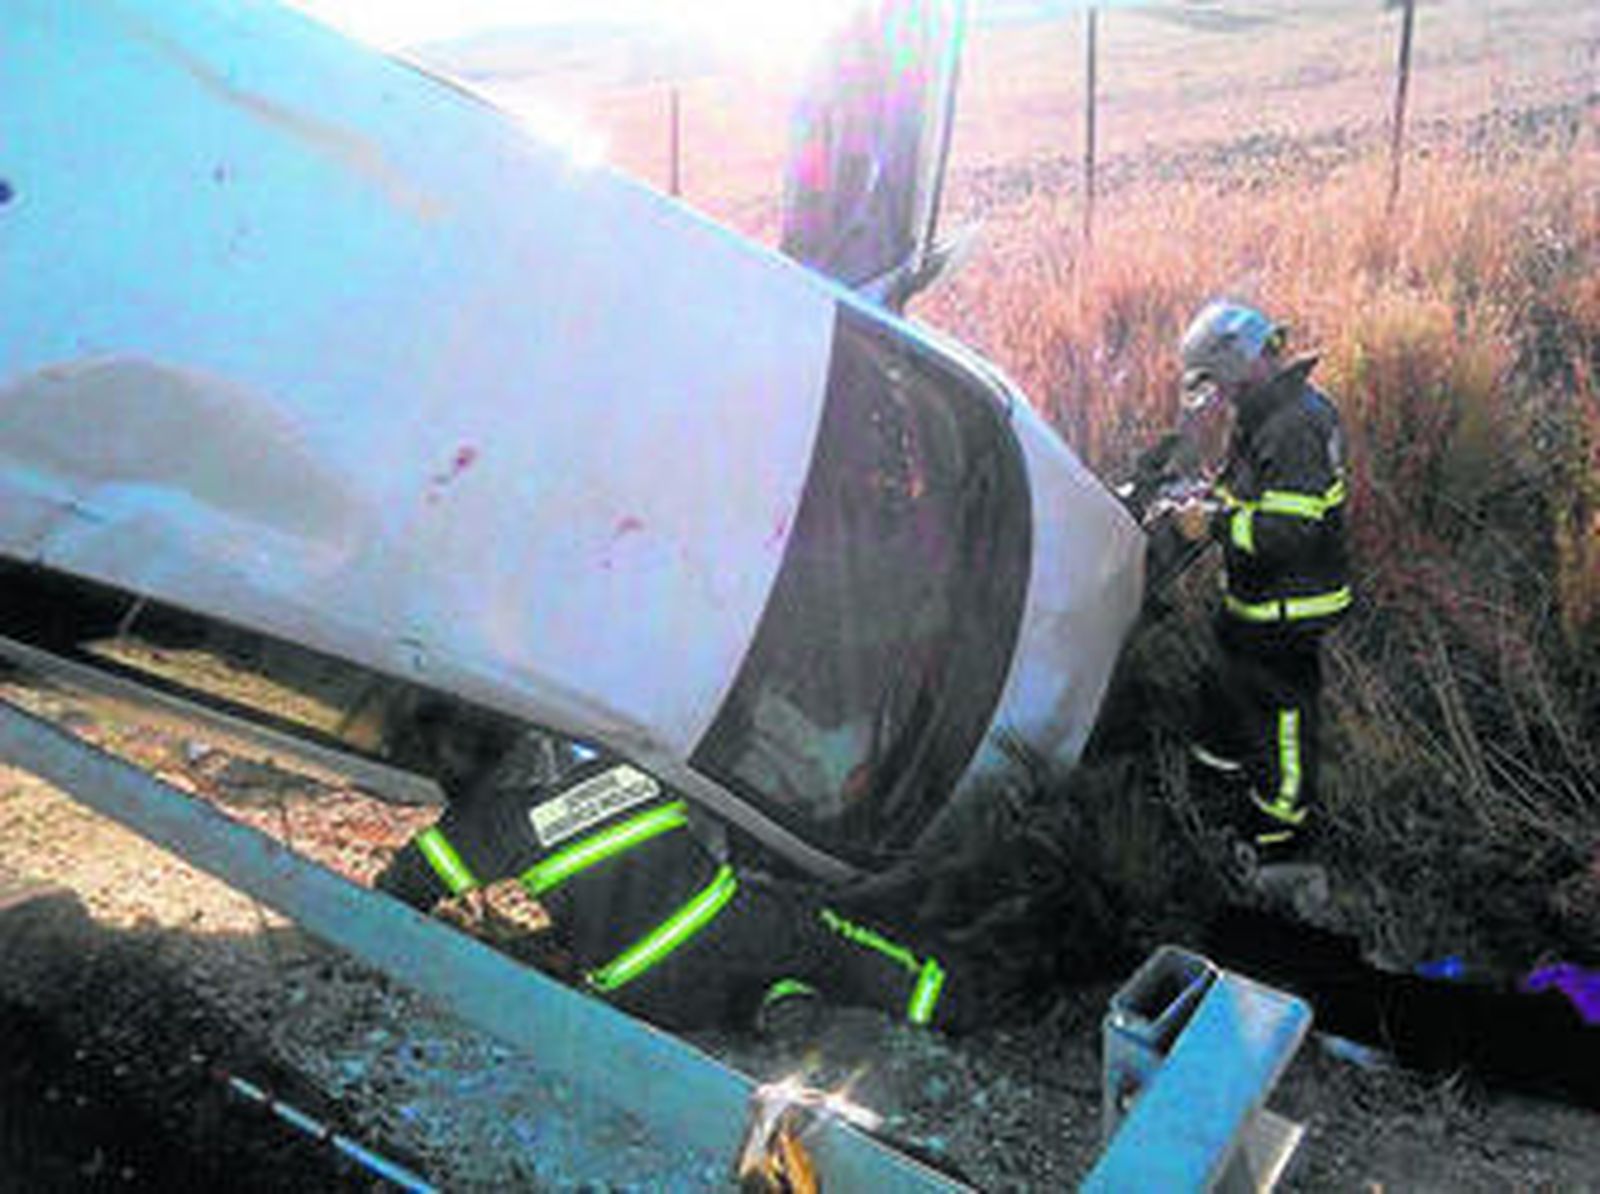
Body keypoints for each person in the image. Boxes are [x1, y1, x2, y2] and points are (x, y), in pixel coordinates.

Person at [373, 708, 981, 1035]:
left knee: (726, 1005)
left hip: (638, 988)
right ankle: (949, 1006)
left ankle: (770, 1009)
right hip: (723, 919)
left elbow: (402, 887)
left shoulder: (482, 829)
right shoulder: (613, 747)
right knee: (830, 937)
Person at [1170, 300, 1350, 867]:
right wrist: (1198, 503)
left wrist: (1217, 524)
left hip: (1289, 609)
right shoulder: (1262, 414)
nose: (1218, 396)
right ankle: (1213, 796)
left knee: (1284, 722)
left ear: (1244, 362)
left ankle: (1278, 831)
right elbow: (1243, 495)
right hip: (1252, 602)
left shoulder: (1297, 423)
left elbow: (1287, 533)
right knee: (1222, 694)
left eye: (1219, 383)